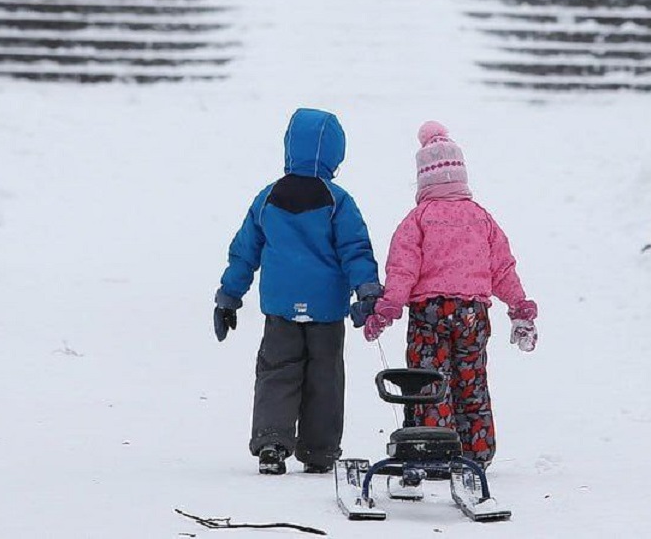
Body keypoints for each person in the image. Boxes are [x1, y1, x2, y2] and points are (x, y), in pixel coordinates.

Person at [213, 108, 382, 475]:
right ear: (337, 154)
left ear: (289, 147)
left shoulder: (268, 198)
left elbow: (245, 251)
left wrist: (229, 295)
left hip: (280, 308)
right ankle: (319, 451)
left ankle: (272, 442)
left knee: (277, 372)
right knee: (326, 378)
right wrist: (366, 291)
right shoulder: (338, 201)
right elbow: (355, 249)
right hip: (326, 311)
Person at [362, 121, 537, 468]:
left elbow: (402, 270)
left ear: (423, 179)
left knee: (431, 382)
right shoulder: (482, 218)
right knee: (471, 381)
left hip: (429, 314)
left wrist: (386, 310)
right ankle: (476, 452)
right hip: (473, 313)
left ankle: (433, 448)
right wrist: (519, 307)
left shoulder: (417, 220)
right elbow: (502, 267)